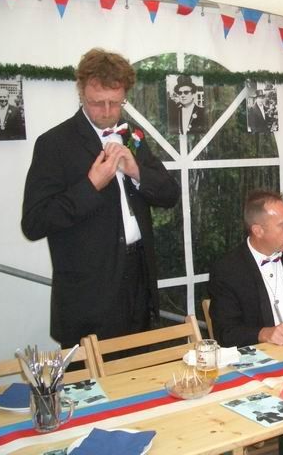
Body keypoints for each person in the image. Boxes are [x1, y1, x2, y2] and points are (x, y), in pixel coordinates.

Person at [21, 48, 181, 348]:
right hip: (89, 294)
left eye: (115, 102)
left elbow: (169, 194)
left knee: (141, 368)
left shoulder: (132, 134)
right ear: (81, 92)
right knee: (94, 378)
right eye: (97, 103)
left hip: (139, 277)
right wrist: (91, 185)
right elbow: (34, 223)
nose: (107, 111)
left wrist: (136, 171)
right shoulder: (54, 144)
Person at [208, 190, 283, 348]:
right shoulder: (228, 270)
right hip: (261, 358)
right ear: (258, 231)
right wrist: (263, 334)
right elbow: (225, 333)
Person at [167, 75, 206, 147]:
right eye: (180, 93)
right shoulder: (174, 113)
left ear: (193, 94)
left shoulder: (201, 112)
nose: (182, 95)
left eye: (186, 92)